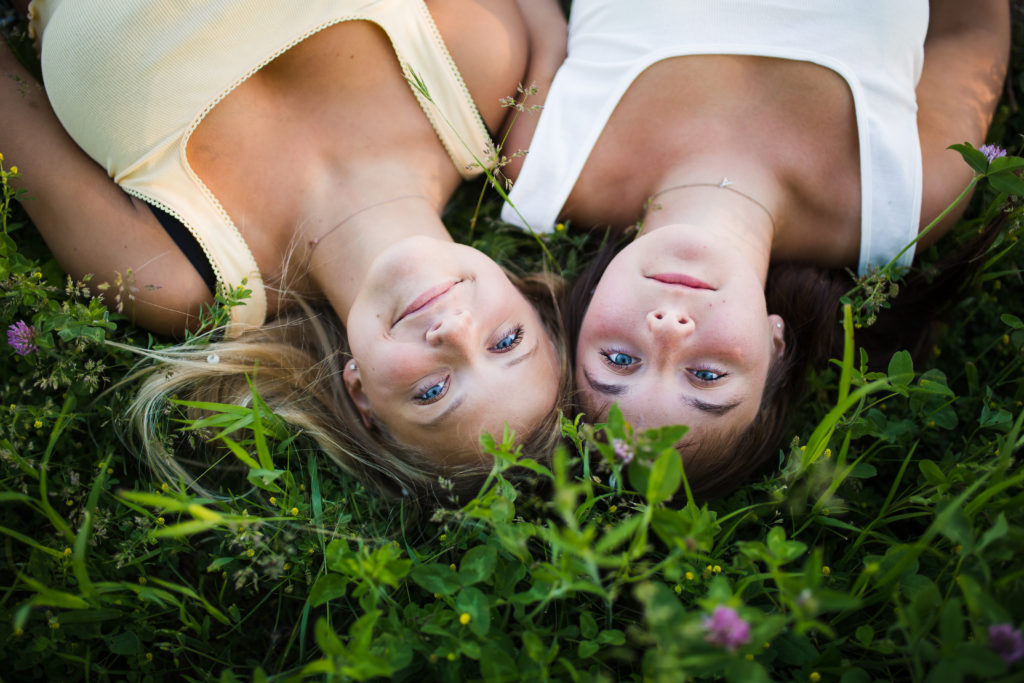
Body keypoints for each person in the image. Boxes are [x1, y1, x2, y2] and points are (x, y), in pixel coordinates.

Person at [0, 0, 571, 497]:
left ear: (363, 399)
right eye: (506, 340)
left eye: (433, 390)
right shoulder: (475, 67)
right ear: (525, 294)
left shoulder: (179, 276)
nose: (456, 334)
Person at [500, 0, 1010, 498]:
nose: (667, 331)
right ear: (775, 344)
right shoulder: (905, 202)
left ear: (581, 321)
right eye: (705, 375)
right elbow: (967, 28)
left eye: (618, 360)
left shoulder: (546, 165)